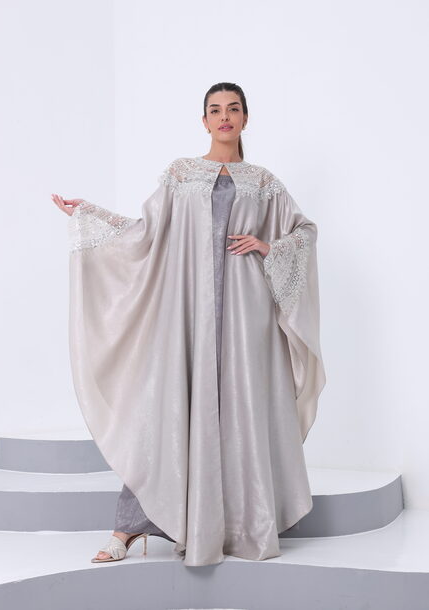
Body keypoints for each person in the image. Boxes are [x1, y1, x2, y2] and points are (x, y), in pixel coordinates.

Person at [51, 82, 326, 567]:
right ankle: (128, 528)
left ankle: (236, 524)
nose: (224, 117)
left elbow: (304, 231)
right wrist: (90, 214)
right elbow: (147, 232)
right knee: (168, 412)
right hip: (190, 314)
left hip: (247, 320)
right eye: (215, 110)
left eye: (233, 109)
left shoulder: (264, 182)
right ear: (204, 121)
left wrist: (269, 246)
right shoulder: (182, 175)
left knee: (239, 412)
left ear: (245, 118)